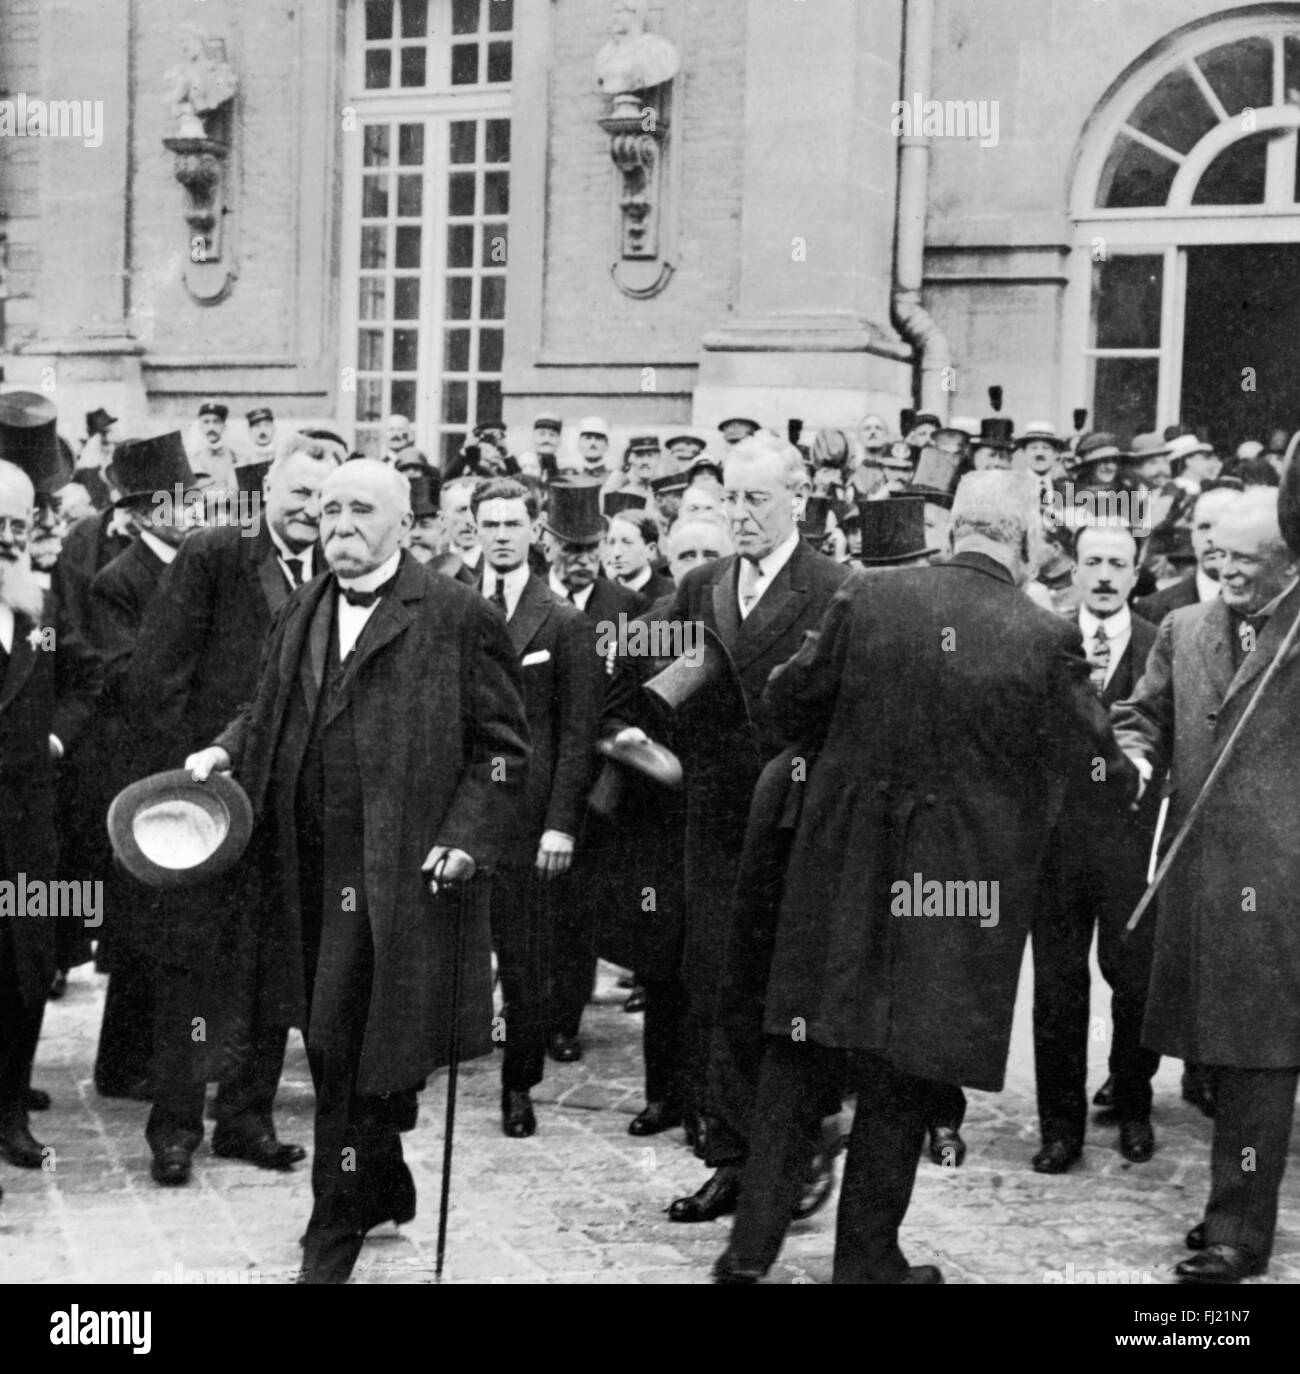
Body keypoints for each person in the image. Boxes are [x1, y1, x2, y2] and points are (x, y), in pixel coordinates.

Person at [715, 471, 1137, 1283]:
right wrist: (1126, 774)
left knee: (799, 1058)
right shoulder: (1040, 635)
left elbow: (787, 699)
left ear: (957, 532)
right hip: (955, 892)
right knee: (905, 1071)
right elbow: (1093, 767)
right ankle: (867, 1260)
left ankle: (747, 1252)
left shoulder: (868, 596)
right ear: (1022, 542)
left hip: (838, 872)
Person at [185, 459, 529, 1284]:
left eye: (360, 510)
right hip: (297, 868)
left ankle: (328, 1232)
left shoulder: (456, 615)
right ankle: (381, 1181)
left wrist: (465, 837)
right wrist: (226, 748)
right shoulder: (303, 602)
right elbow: (266, 705)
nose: (337, 523)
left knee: (349, 1046)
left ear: (406, 525)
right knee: (333, 1037)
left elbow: (506, 754)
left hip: (393, 876)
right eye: (328, 508)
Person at [624, 431, 850, 1223]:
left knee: (787, 993)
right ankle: (730, 1156)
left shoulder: (837, 588)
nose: (742, 516)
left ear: (799, 499)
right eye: (731, 501)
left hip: (796, 823)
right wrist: (652, 721)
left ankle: (796, 1150)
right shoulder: (704, 585)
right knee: (716, 984)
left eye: (757, 500)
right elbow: (678, 676)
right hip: (715, 821)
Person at [122, 438, 340, 1185]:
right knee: (191, 964)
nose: (312, 509)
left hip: (285, 810)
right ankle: (175, 1127)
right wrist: (183, 792)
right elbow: (157, 677)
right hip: (205, 799)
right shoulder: (215, 555)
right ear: (268, 490)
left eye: (326, 497)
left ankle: (246, 1119)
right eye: (300, 492)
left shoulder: (332, 574)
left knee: (274, 965)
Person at [1113, 485, 1300, 1284]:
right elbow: (1141, 714)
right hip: (1201, 882)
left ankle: (1236, 1232)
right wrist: (1131, 755)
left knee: (1259, 1056)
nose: (1226, 572)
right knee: (1226, 1052)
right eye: (1216, 555)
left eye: (1248, 562)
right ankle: (1238, 1200)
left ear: (1290, 561)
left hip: (1284, 887)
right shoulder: (1183, 628)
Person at [472, 477, 603, 1137]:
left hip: (526, 816)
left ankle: (518, 1084)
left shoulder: (564, 620)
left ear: (535, 533)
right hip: (459, 808)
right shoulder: (449, 605)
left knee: (524, 956)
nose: (500, 534)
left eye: (512, 524)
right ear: (475, 529)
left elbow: (578, 734)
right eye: (489, 523)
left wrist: (560, 824)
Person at [1030, 522, 1160, 1175]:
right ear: (1074, 572)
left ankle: (1134, 1105)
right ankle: (1060, 1128)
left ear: (1136, 573)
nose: (1105, 575)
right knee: (1056, 986)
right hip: (1055, 844)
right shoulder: (1046, 641)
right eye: (1093, 563)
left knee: (1134, 979)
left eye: (1118, 563)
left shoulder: (1163, 643)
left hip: (1133, 845)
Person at [88, 435, 201, 1105]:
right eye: (171, 500)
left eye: (188, 496)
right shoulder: (118, 582)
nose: (185, 509)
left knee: (165, 924)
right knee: (138, 923)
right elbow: (122, 678)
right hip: (136, 772)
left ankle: (146, 1059)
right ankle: (121, 1064)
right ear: (139, 512)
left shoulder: (197, 566)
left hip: (183, 763)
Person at [0, 459, 102, 1176]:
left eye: (15, 524)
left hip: (29, 816)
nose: (4, 538)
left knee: (26, 963)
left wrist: (55, 737)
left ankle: (10, 1112)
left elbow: (88, 678)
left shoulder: (47, 596)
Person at [539, 479, 647, 1060]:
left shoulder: (625, 609)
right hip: (533, 775)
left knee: (578, 906)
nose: (580, 561)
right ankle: (523, 1006)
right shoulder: (527, 601)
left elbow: (628, 693)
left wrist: (616, 732)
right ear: (547, 542)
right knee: (529, 902)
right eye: (569, 549)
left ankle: (563, 1018)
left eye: (591, 550)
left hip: (594, 781)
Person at [1134, 484, 1241, 626]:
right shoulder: (1152, 609)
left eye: (1225, 526)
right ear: (1192, 536)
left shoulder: (1266, 603)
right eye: (1204, 527)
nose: (1212, 537)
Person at [604, 509, 673, 599]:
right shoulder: (602, 594)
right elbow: (623, 613)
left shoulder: (670, 594)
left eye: (627, 542)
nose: (616, 553)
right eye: (611, 542)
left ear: (650, 549)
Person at [433, 476, 484, 586]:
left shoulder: (499, 563)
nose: (470, 519)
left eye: (476, 509)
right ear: (442, 519)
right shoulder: (433, 564)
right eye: (462, 510)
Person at [190, 401, 239, 493]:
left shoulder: (236, 459)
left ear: (224, 426)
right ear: (200, 426)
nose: (211, 427)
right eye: (206, 422)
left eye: (216, 422)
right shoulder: (193, 461)